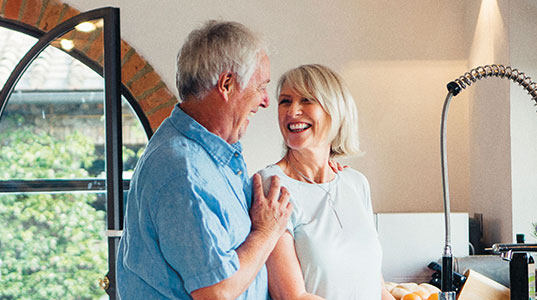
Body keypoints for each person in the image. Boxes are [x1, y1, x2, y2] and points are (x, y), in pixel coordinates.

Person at [116, 20, 292, 300]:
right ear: (226, 84)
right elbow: (217, 292)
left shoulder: (214, 155)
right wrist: (267, 232)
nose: (265, 101)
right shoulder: (183, 169)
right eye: (260, 87)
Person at [257, 64, 396, 300]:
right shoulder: (273, 186)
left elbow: (376, 285)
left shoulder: (356, 183)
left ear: (335, 110)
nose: (293, 111)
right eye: (285, 101)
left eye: (307, 100)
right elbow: (292, 296)